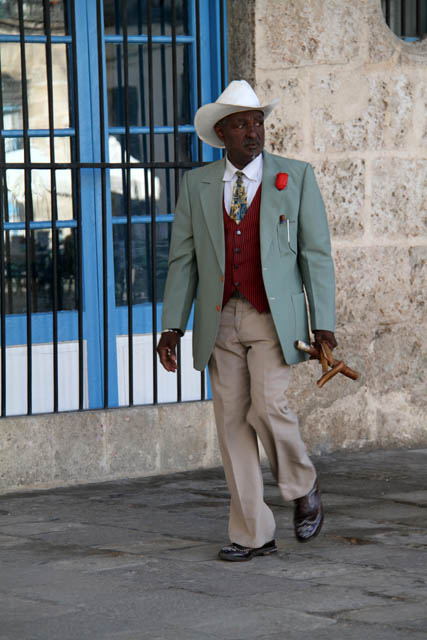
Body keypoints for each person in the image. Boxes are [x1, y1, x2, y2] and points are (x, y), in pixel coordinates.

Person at [157, 80, 336, 562]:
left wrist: (323, 322)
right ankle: (252, 534)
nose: (253, 131)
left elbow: (316, 254)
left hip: (272, 318)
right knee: (233, 424)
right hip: (220, 319)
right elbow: (183, 260)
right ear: (222, 133)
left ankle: (302, 484)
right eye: (241, 124)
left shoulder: (295, 177)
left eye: (257, 122)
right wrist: (172, 325)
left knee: (269, 405)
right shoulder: (197, 185)